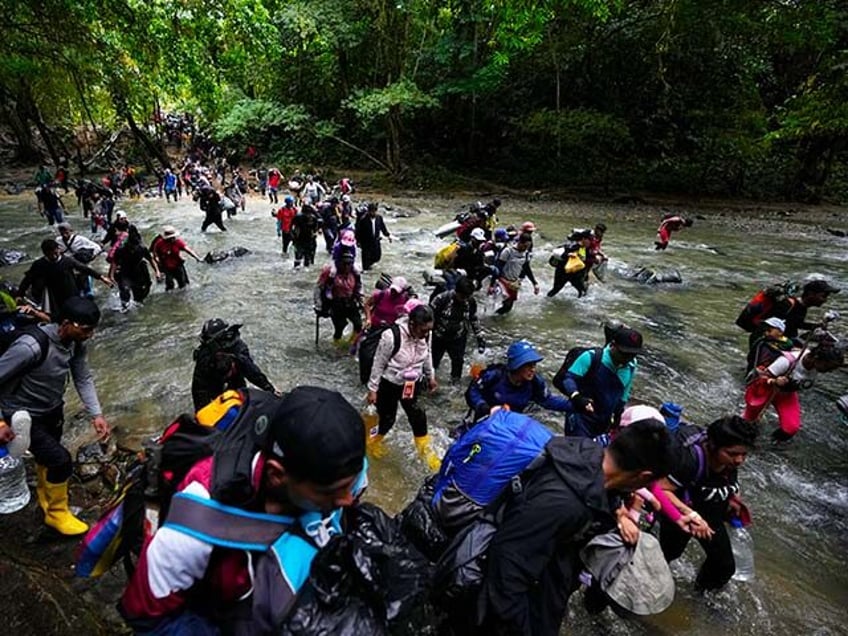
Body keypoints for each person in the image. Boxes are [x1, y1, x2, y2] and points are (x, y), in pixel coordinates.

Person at [120, 386, 368, 633]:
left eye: (352, 484)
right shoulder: (193, 528)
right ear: (276, 475)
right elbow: (145, 616)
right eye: (331, 492)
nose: (348, 499)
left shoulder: (341, 470)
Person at [455, 417, 671, 635]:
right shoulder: (564, 503)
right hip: (508, 607)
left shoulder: (586, 454)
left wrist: (619, 513)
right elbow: (506, 570)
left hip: (545, 579)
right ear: (644, 476)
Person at [0, 297, 111, 535]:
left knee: (46, 459)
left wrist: (97, 414)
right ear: (67, 323)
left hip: (52, 408)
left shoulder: (75, 343)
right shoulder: (29, 347)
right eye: (87, 329)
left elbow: (83, 377)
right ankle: (57, 514)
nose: (90, 335)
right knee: (61, 460)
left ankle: (45, 499)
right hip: (22, 414)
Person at [657, 416, 758, 591]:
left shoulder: (729, 462)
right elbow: (661, 489)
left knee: (724, 566)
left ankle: (701, 596)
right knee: (668, 555)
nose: (739, 460)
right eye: (733, 454)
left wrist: (733, 496)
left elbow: (731, 476)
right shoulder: (689, 460)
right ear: (712, 445)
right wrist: (690, 514)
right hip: (681, 512)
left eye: (744, 454)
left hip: (711, 511)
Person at [366, 302, 439, 469]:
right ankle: (372, 441)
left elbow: (427, 354)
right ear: (412, 324)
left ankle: (426, 453)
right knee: (387, 419)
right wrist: (373, 389)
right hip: (389, 384)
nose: (426, 334)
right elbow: (378, 363)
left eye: (429, 330)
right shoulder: (391, 336)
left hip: (412, 383)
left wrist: (431, 376)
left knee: (419, 417)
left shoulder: (426, 335)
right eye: (423, 330)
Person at [742, 343, 845, 442]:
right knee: (747, 424)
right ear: (817, 358)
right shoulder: (788, 361)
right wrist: (775, 381)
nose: (830, 371)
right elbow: (762, 376)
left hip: (786, 394)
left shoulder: (815, 364)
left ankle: (771, 446)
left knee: (791, 429)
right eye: (828, 367)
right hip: (764, 390)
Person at [554, 327, 642, 439]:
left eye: (633, 354)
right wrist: (576, 396)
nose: (628, 358)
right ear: (613, 346)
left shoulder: (631, 366)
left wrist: (618, 415)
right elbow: (569, 378)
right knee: (577, 452)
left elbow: (624, 393)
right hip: (581, 418)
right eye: (624, 353)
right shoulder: (591, 357)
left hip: (604, 422)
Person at [466, 340, 569, 421]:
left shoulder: (535, 382)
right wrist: (484, 407)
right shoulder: (494, 376)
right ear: (516, 365)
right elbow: (472, 391)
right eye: (528, 365)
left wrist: (579, 405)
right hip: (486, 419)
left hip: (513, 423)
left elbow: (548, 401)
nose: (533, 369)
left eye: (534, 364)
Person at [191, 319, 279, 410]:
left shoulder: (239, 353)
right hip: (213, 382)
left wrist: (270, 389)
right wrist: (202, 411)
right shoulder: (204, 358)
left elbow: (253, 373)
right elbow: (198, 388)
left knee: (240, 398)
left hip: (236, 379)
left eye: (227, 373)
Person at [18, 238, 113, 315]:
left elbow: (84, 268)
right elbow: (28, 279)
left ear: (58, 249)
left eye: (56, 253)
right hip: (53, 294)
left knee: (75, 312)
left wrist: (101, 277)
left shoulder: (67, 261)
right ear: (45, 253)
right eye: (51, 255)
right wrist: (19, 294)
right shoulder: (39, 264)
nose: (54, 256)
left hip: (71, 290)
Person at [430, 276, 485, 383]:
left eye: (467, 296)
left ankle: (455, 385)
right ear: (456, 291)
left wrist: (480, 336)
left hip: (458, 337)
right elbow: (429, 319)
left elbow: (473, 318)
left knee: (458, 362)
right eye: (462, 296)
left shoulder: (471, 302)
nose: (464, 299)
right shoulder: (441, 299)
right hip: (439, 336)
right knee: (433, 362)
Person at [109, 225, 161, 312]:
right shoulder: (122, 248)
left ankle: (137, 307)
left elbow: (151, 259)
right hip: (125, 271)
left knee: (140, 295)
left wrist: (157, 271)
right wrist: (111, 275)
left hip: (139, 271)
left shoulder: (141, 247)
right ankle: (125, 309)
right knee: (125, 291)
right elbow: (115, 262)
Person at [314, 253, 363, 344]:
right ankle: (337, 344)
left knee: (358, 324)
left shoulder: (355, 273)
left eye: (349, 264)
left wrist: (361, 299)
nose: (346, 266)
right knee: (340, 326)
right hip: (335, 303)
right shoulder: (330, 273)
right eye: (344, 264)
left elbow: (359, 287)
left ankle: (351, 344)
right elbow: (318, 288)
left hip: (350, 301)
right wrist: (319, 306)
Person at [491, 232, 539, 315]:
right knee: (504, 304)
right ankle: (491, 319)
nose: (525, 248)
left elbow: (527, 269)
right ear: (519, 242)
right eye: (524, 246)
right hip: (502, 281)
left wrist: (535, 283)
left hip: (513, 283)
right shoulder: (508, 251)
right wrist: (492, 285)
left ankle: (497, 320)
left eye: (527, 247)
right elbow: (497, 269)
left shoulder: (526, 254)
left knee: (509, 307)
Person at [151, 226, 201, 291]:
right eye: (170, 238)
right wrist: (157, 263)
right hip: (166, 267)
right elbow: (154, 254)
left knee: (182, 284)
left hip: (178, 266)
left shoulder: (178, 242)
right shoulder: (159, 243)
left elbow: (188, 250)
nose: (172, 239)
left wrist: (197, 258)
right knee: (170, 285)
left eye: (173, 237)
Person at [546, 229, 593, 298]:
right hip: (562, 272)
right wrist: (568, 255)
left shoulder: (585, 248)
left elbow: (586, 260)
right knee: (555, 290)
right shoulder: (573, 246)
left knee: (582, 291)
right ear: (583, 239)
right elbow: (563, 254)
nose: (590, 242)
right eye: (589, 240)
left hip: (575, 274)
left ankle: (580, 307)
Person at [355, 202, 392, 271]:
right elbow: (358, 231)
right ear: (368, 211)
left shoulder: (379, 218)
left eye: (374, 211)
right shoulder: (363, 219)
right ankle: (366, 272)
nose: (373, 213)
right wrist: (358, 241)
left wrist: (388, 235)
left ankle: (370, 264)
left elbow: (383, 227)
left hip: (376, 241)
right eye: (371, 211)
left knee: (377, 257)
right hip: (366, 242)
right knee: (366, 262)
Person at [291, 203, 319, 268]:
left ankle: (300, 267)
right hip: (301, 238)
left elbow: (315, 228)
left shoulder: (312, 217)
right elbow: (293, 227)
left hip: (305, 238)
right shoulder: (299, 217)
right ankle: (303, 267)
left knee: (303, 255)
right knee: (301, 255)